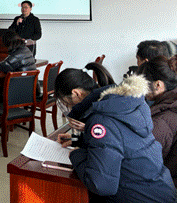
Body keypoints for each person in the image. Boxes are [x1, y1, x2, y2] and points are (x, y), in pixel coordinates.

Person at [55, 68, 176, 202]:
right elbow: (121, 141)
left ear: (76, 93)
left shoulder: (101, 119)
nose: (69, 107)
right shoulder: (124, 104)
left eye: (66, 103)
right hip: (160, 191)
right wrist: (78, 140)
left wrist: (76, 154)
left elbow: (101, 185)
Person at [138, 56, 177, 186]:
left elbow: (143, 161)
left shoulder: (162, 121)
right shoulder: (170, 104)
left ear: (158, 85)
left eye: (143, 85)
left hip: (165, 186)